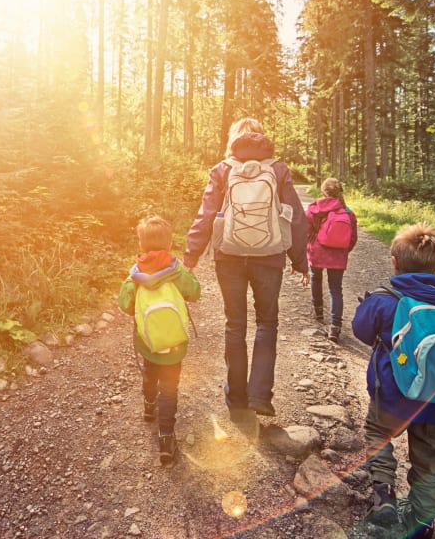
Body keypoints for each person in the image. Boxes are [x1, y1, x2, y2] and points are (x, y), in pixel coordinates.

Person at [352, 223, 435, 538]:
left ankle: (383, 499)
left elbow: (360, 331)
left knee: (378, 435)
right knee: (427, 462)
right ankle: (422, 520)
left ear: (395, 262)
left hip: (391, 397)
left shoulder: (384, 299)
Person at [183, 118, 307, 419]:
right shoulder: (277, 169)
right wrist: (300, 260)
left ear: (233, 140)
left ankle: (236, 396)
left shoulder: (222, 169)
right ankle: (260, 395)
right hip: (269, 256)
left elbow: (206, 214)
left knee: (235, 325)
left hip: (229, 255)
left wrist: (190, 257)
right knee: (267, 323)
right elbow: (296, 216)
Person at [118, 215, 201, 467]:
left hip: (148, 342)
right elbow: (195, 293)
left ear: (141, 245)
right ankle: (166, 438)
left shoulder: (135, 275)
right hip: (174, 344)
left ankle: (148, 405)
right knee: (170, 387)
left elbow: (125, 305)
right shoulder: (177, 272)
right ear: (169, 242)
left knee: (149, 371)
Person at [306, 178, 358, 342]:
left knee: (316, 277)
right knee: (336, 289)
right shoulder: (348, 212)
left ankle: (318, 311)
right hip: (338, 255)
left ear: (323, 192)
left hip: (317, 252)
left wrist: (309, 247)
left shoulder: (315, 208)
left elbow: (307, 230)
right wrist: (343, 250)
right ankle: (335, 327)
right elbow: (352, 238)